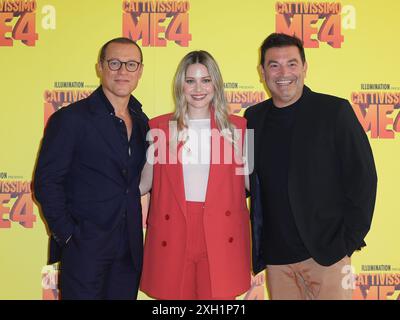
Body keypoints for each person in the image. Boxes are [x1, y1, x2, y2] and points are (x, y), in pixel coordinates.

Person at [244, 33, 377, 300]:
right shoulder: (252, 119)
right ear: (262, 71)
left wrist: (346, 244)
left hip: (327, 257)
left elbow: (363, 179)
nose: (284, 73)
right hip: (277, 260)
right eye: (274, 65)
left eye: (292, 64)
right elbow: (245, 181)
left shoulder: (334, 111)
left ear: (305, 67)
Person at [34, 37, 149, 299]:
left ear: (140, 70)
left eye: (131, 64)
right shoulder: (71, 118)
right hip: (84, 249)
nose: (122, 71)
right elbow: (47, 181)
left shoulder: (143, 122)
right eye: (115, 63)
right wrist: (68, 236)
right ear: (100, 67)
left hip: (128, 251)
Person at [139, 50, 251, 300]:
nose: (198, 88)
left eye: (206, 80)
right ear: (181, 85)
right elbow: (143, 184)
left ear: (216, 84)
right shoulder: (158, 128)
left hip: (222, 233)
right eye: (190, 81)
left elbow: (252, 186)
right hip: (172, 231)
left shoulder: (239, 129)